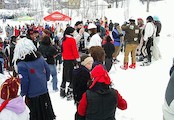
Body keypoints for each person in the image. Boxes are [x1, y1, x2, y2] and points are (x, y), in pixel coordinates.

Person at [12, 38, 56, 120]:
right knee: (46, 115)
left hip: (32, 95)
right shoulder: (39, 58)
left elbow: (25, 81)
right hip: (43, 91)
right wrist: (45, 79)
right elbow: (47, 69)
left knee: (35, 116)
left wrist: (23, 93)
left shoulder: (21, 64)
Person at [60, 27, 80, 100]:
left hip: (65, 60)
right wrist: (78, 59)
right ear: (71, 32)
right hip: (71, 60)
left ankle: (62, 91)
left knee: (64, 76)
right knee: (72, 77)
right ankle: (70, 93)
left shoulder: (64, 39)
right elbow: (74, 51)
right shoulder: (72, 40)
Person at [73, 54, 94, 120]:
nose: (91, 65)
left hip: (78, 96)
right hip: (82, 97)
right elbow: (83, 86)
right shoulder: (84, 72)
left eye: (91, 63)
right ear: (84, 63)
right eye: (89, 63)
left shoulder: (78, 70)